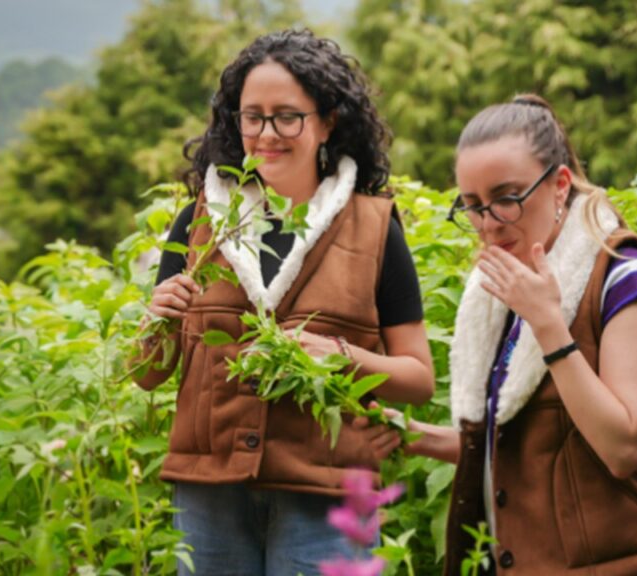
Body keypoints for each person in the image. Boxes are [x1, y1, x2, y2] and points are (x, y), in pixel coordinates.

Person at [132, 29, 434, 576]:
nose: (267, 134)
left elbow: (418, 378)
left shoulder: (374, 228)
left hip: (327, 496)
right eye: (253, 117)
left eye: (287, 117)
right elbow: (148, 375)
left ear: (328, 121)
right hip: (209, 493)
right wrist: (157, 320)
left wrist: (339, 355)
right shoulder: (199, 222)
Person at [358, 94, 637, 575]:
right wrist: (416, 436)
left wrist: (549, 325)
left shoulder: (626, 275)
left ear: (560, 186)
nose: (489, 224)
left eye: (507, 198)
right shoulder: (510, 294)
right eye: (472, 206)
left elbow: (622, 449)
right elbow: (524, 447)